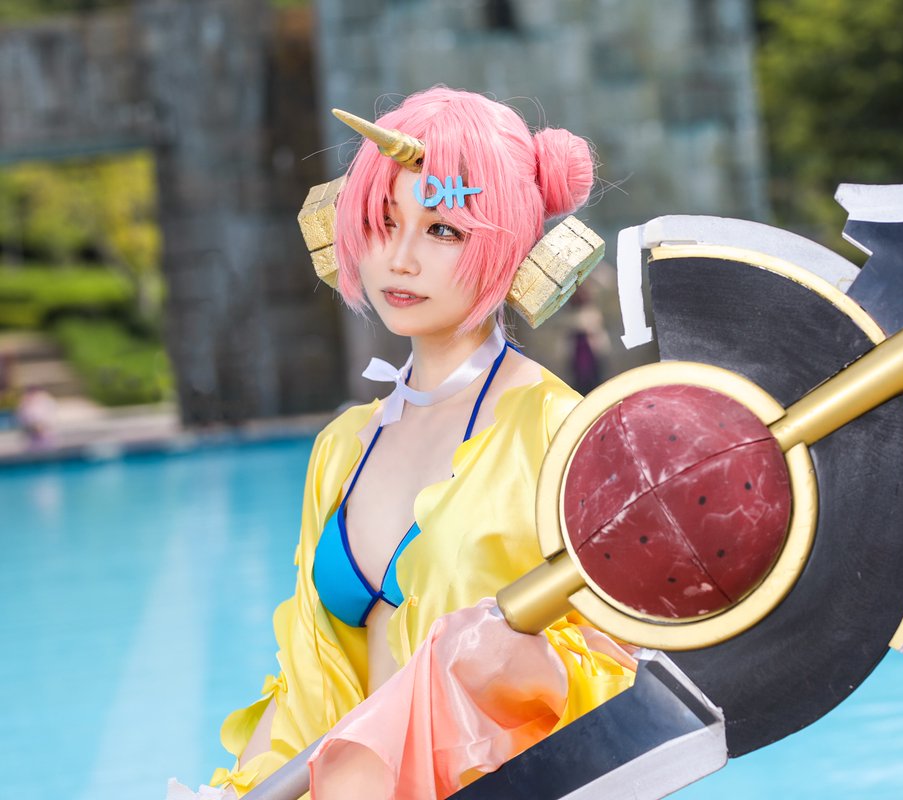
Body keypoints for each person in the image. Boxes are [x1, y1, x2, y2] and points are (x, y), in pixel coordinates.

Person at [207, 88, 636, 798]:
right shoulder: (344, 447)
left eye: (442, 230)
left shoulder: (559, 431)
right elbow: (310, 679)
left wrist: (539, 671)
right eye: (382, 222)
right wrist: (233, 789)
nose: (399, 259)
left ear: (508, 242)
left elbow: (629, 676)